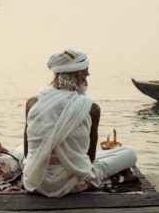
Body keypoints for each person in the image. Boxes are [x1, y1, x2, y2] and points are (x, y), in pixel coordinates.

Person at [21, 49, 137, 198]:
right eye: (85, 76)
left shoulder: (32, 103)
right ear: (78, 77)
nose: (87, 82)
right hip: (75, 183)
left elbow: (26, 153)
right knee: (130, 153)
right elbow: (90, 158)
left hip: (35, 182)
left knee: (21, 152)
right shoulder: (91, 108)